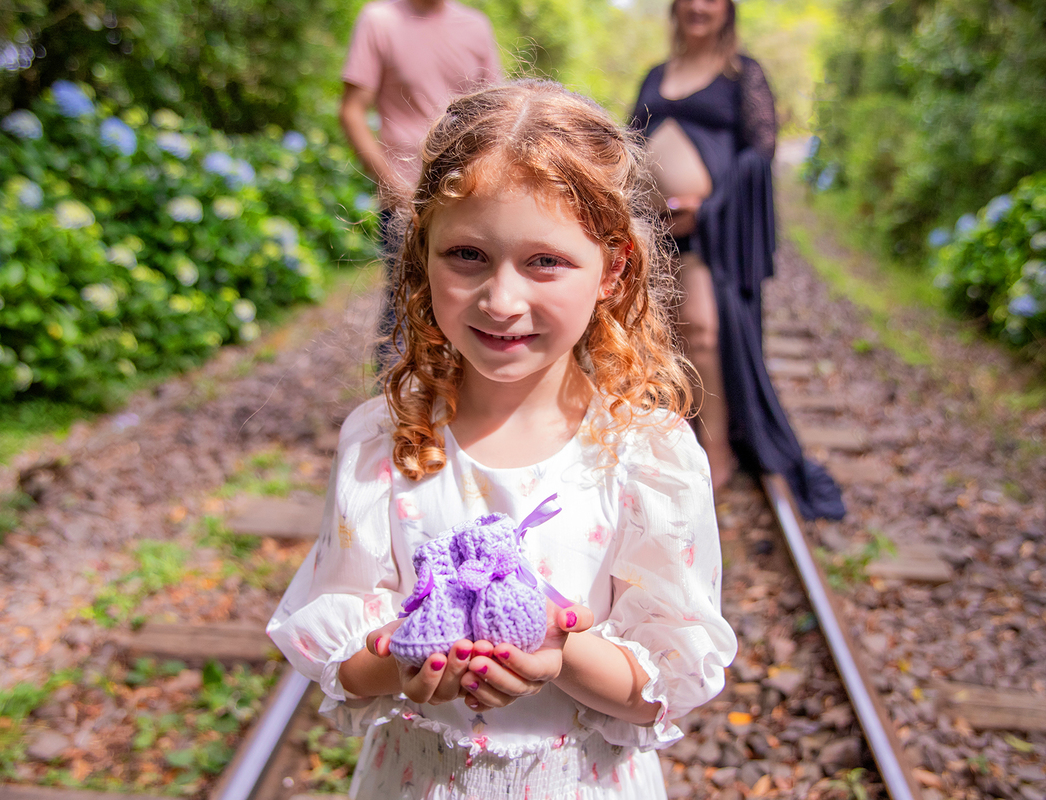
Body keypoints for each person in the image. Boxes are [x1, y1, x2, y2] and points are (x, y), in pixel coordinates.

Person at [269, 81, 737, 799]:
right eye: (467, 255)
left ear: (612, 270)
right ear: (422, 253)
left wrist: (564, 652)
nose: (501, 300)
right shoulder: (385, 441)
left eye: (544, 261)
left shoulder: (648, 455)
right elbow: (343, 658)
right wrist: (407, 666)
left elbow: (659, 688)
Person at [630, 0, 845, 520]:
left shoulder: (743, 74)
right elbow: (628, 143)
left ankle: (718, 450)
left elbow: (759, 152)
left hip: (710, 231)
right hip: (655, 232)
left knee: (703, 329)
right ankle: (667, 443)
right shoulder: (657, 74)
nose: (699, 6)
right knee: (658, 335)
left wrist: (708, 206)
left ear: (728, 10)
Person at [338, 0, 503, 369]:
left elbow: (497, 112)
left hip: (468, 196)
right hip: (403, 200)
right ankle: (393, 416)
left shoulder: (474, 26)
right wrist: (392, 184)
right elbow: (352, 111)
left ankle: (462, 409)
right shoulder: (379, 20)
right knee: (404, 307)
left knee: (472, 306)